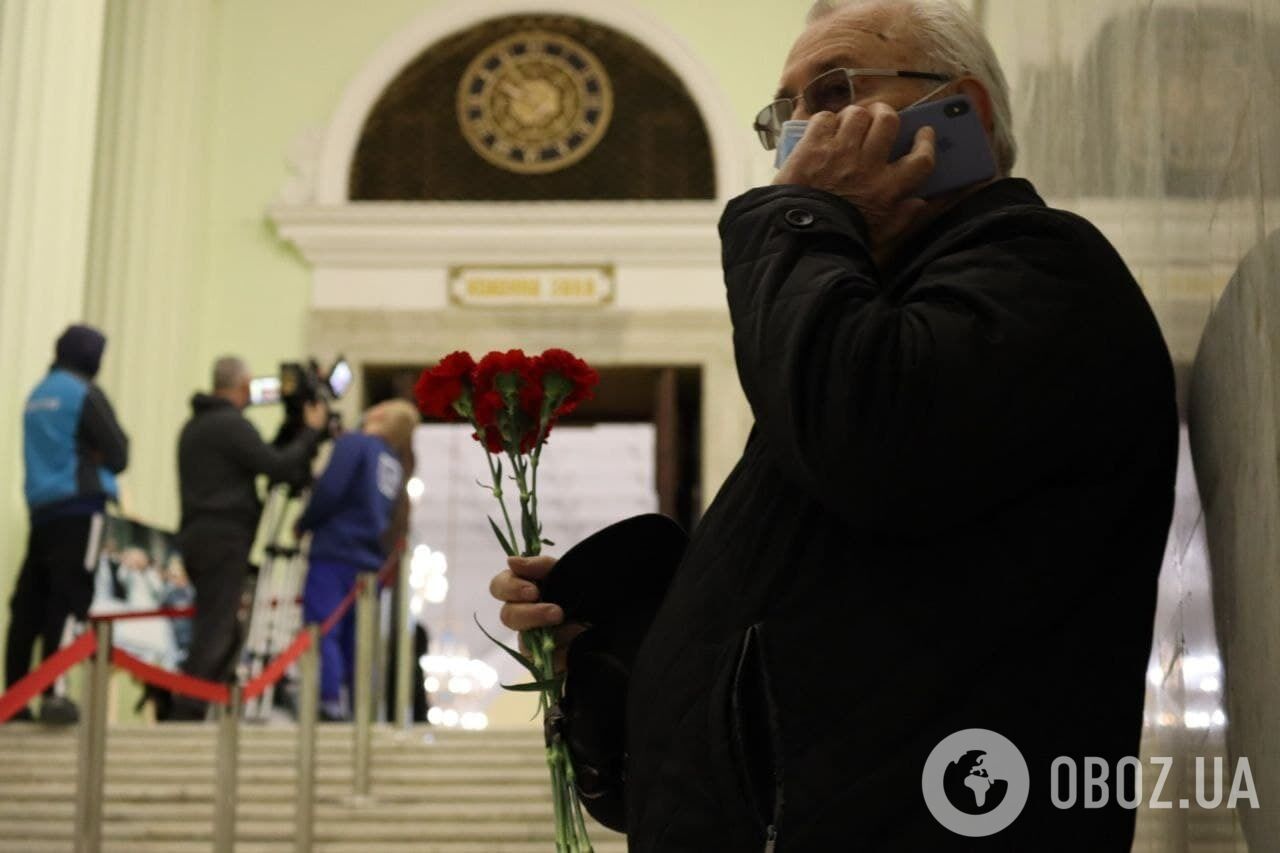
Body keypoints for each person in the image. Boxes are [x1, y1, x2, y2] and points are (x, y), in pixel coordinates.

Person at [490, 1, 1178, 850]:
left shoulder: (1039, 268)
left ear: (963, 113)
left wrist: (802, 219)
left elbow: (871, 447)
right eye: (784, 112)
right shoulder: (863, 311)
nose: (799, 133)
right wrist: (630, 642)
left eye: (835, 90)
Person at [170, 356, 326, 720]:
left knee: (222, 626)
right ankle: (186, 715)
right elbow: (280, 467)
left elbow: (264, 459)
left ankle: (199, 708)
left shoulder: (196, 426)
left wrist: (292, 435)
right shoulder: (230, 425)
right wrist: (310, 432)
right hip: (223, 541)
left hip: (198, 537)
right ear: (243, 386)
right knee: (217, 629)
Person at [6, 324, 129, 724]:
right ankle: (55, 693)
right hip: (80, 507)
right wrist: (95, 453)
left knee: (29, 604)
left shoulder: (38, 394)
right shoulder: (83, 393)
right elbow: (119, 453)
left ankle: (15, 697)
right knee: (70, 600)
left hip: (42, 509)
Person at [297, 400, 417, 721]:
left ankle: (328, 699)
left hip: (336, 550)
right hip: (368, 561)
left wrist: (303, 522)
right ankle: (356, 707)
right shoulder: (392, 462)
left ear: (377, 415)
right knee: (356, 638)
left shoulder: (356, 444)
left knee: (324, 626)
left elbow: (330, 490)